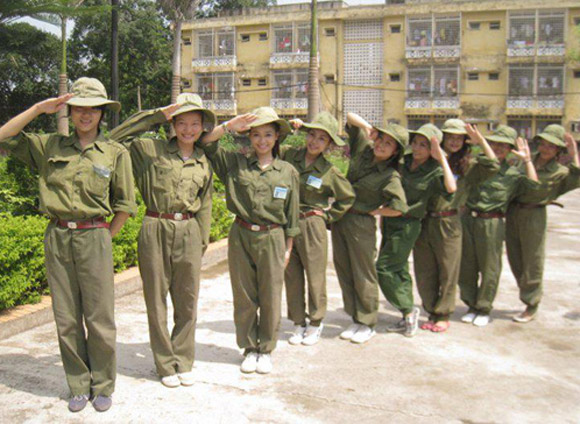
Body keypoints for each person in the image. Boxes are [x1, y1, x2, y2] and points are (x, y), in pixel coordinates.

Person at [0, 78, 137, 412]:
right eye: (79, 108)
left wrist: (105, 236)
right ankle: (78, 383)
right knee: (66, 317)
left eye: (93, 109)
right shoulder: (51, 146)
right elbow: (4, 136)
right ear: (70, 111)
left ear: (102, 113)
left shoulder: (115, 153)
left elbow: (125, 205)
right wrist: (37, 109)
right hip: (58, 235)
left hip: (95, 236)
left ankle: (103, 384)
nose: (85, 115)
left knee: (100, 316)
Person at [110, 93, 214, 387]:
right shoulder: (149, 150)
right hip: (155, 225)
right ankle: (165, 364)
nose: (189, 129)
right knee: (156, 300)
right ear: (173, 124)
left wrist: (201, 240)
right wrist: (155, 115)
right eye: (182, 122)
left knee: (187, 300)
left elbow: (204, 202)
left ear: (203, 127)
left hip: (189, 230)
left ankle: (184, 359)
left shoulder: (204, 160)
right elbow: (115, 138)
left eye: (195, 123)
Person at [200, 107, 300, 374]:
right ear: (250, 137)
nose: (262, 140)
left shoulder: (287, 172)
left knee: (270, 296)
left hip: (273, 236)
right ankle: (248, 348)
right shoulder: (237, 164)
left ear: (277, 137)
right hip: (241, 235)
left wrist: (288, 248)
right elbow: (205, 142)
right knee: (244, 296)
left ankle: (265, 349)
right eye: (256, 135)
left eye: (268, 134)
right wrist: (230, 125)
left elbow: (292, 214)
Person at [413, 120, 499, 333]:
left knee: (448, 270)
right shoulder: (428, 160)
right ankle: (431, 310)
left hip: (448, 221)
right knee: (424, 271)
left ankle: (443, 314)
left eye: (459, 138)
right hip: (424, 221)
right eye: (450, 137)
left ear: (465, 141)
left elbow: (493, 165)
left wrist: (481, 141)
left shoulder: (467, 165)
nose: (454, 141)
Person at [332, 113, 408, 344]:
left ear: (395, 152)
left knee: (363, 273)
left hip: (361, 224)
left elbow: (399, 207)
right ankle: (356, 318)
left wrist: (375, 211)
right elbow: (349, 117)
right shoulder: (364, 150)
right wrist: (368, 128)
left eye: (388, 144)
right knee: (344, 269)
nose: (381, 146)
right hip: (340, 218)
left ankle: (368, 322)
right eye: (381, 140)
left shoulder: (390, 175)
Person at [282, 112, 355, 346]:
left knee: (314, 277)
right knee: (291, 275)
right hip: (287, 223)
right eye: (311, 135)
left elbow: (347, 197)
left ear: (330, 144)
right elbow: (269, 144)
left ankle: (315, 322)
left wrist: (327, 217)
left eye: (322, 139)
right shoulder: (288, 156)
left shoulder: (329, 171)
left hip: (312, 224)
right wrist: (288, 128)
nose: (314, 141)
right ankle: (297, 322)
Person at [377, 124, 456, 338]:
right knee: (400, 270)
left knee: (383, 268)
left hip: (408, 224)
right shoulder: (403, 163)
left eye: (424, 145)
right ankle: (406, 317)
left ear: (434, 149)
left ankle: (407, 309)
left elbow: (451, 188)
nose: (418, 148)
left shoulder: (434, 170)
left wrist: (442, 159)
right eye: (416, 143)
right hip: (389, 220)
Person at [458, 126, 538, 327]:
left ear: (511, 149)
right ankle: (471, 305)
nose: (498, 148)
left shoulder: (512, 174)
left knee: (489, 267)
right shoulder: (477, 165)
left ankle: (484, 308)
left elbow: (534, 186)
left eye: (503, 145)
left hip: (491, 222)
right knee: (466, 265)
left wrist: (527, 160)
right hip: (468, 219)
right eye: (494, 143)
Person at [506, 125, 580, 323]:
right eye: (543, 144)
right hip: (513, 212)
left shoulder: (559, 172)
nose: (546, 149)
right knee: (515, 258)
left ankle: (531, 303)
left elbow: (577, 177)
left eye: (552, 146)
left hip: (534, 215)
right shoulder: (522, 160)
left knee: (533, 260)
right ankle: (527, 295)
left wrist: (574, 155)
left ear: (558, 150)